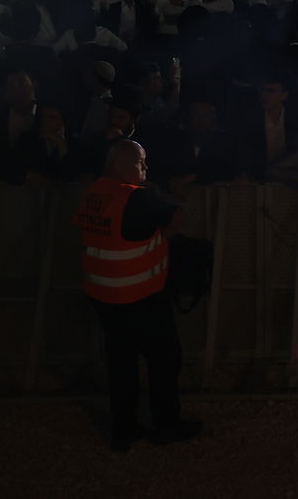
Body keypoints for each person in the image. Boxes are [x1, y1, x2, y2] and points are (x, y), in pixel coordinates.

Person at [73, 140, 201, 451]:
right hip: (139, 294)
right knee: (165, 359)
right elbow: (178, 219)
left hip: (103, 295)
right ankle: (166, 424)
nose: (145, 168)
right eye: (140, 162)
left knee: (121, 363)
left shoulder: (93, 194)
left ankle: (125, 429)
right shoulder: (137, 197)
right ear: (119, 165)